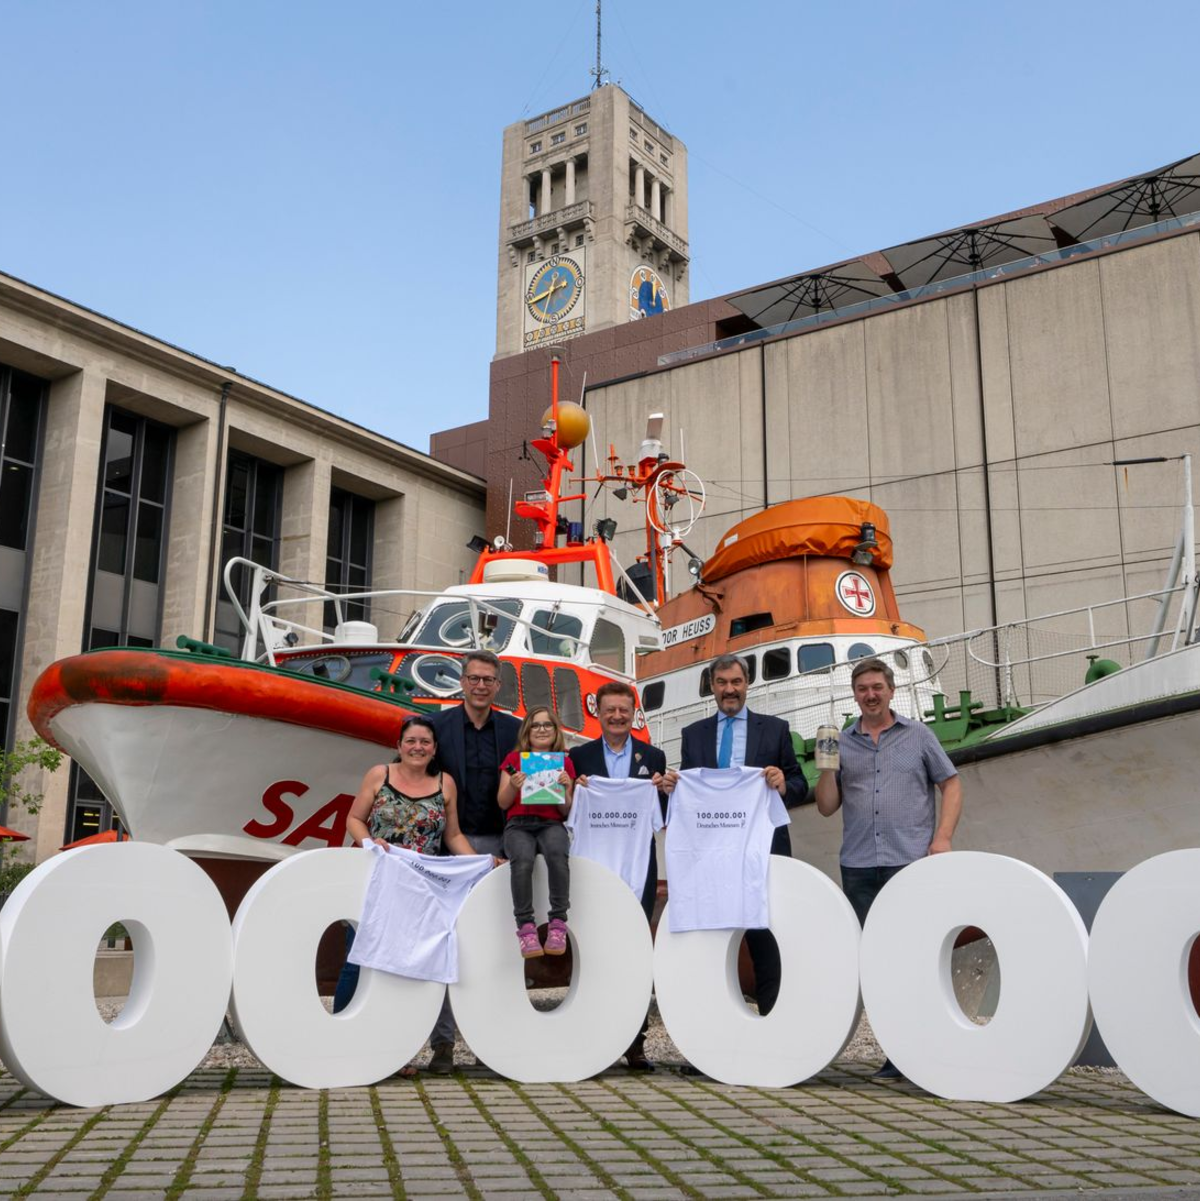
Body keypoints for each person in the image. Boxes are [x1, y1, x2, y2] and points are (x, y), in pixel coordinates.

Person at [815, 655, 962, 1079]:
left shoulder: (919, 736)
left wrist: (943, 837)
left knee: (915, 958)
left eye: (877, 687)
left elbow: (950, 783)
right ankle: (896, 1052)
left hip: (909, 863)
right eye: (862, 689)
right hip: (859, 867)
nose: (870, 695)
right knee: (876, 964)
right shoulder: (842, 742)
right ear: (855, 694)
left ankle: (923, 1049)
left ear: (891, 690)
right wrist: (827, 771)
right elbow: (826, 808)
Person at [335, 714, 481, 1076]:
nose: (418, 747)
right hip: (376, 879)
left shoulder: (445, 784)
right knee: (360, 960)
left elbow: (452, 835)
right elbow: (354, 819)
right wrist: (370, 841)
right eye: (411, 741)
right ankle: (340, 1039)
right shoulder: (378, 775)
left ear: (434, 749)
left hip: (420, 891)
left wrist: (480, 864)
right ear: (399, 745)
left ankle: (389, 1053)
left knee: (404, 971)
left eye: (425, 742)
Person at [679, 653, 807, 1017]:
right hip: (712, 852)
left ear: (747, 684)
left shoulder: (776, 729)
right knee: (715, 937)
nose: (729, 690)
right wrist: (674, 788)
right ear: (712, 688)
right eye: (722, 683)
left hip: (762, 850)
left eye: (736, 682)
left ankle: (772, 1016)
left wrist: (784, 784)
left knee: (765, 932)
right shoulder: (693, 735)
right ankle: (714, 1022)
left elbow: (799, 783)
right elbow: (692, 793)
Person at [569, 679, 675, 1070]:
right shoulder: (578, 758)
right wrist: (572, 788)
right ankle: (592, 1033)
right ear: (598, 712)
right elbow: (564, 810)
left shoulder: (654, 756)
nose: (617, 716)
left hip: (637, 867)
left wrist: (665, 789)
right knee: (593, 948)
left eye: (624, 710)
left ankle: (635, 1040)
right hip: (592, 866)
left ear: (634, 714)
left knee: (635, 950)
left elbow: (662, 815)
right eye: (610, 709)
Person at [498, 706, 576, 957]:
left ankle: (558, 922)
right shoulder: (513, 760)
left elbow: (566, 811)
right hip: (519, 823)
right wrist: (512, 785)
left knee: (557, 853)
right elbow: (502, 802)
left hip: (551, 823)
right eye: (535, 725)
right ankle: (526, 927)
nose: (541, 729)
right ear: (527, 731)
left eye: (547, 725)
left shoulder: (565, 762)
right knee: (522, 860)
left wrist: (565, 788)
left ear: (556, 731)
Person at [431, 649, 522, 859]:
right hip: (446, 842)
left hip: (502, 841)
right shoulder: (435, 726)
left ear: (498, 685)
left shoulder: (517, 731)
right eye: (474, 678)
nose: (481, 686)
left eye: (488, 680)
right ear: (462, 681)